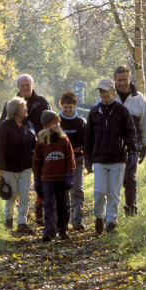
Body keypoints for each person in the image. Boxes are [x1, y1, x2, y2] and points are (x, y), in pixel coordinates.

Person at [0, 74, 51, 226]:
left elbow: (51, 124)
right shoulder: (11, 104)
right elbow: (0, 129)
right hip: (15, 160)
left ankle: (38, 212)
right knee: (15, 191)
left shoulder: (42, 103)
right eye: (22, 86)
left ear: (33, 85)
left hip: (38, 152)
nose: (25, 88)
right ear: (18, 87)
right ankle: (15, 218)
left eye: (28, 85)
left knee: (40, 184)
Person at [84, 79, 137, 234]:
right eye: (101, 91)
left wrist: (132, 152)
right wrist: (88, 156)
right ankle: (99, 217)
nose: (103, 94)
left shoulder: (122, 111)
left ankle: (112, 221)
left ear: (113, 91)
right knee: (100, 191)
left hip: (118, 159)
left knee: (114, 192)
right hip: (99, 159)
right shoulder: (94, 112)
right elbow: (88, 137)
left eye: (106, 91)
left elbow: (130, 134)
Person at [112, 65, 146, 216]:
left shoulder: (139, 98)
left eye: (125, 79)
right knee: (112, 182)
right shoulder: (108, 95)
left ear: (130, 78)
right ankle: (111, 214)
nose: (122, 83)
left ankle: (131, 211)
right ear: (115, 80)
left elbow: (145, 122)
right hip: (111, 146)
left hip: (132, 146)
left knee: (130, 179)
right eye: (119, 80)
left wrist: (145, 145)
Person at [0, 97, 37, 234]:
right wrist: (0, 169)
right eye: (23, 107)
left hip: (26, 167)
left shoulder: (28, 124)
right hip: (10, 168)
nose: (26, 109)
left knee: (24, 195)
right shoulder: (5, 126)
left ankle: (22, 222)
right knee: (11, 195)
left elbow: (34, 145)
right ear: (14, 110)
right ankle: (8, 220)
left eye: (25, 107)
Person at [33, 110, 76, 242]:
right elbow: (37, 161)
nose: (57, 125)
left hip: (62, 178)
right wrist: (37, 179)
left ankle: (63, 230)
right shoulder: (41, 142)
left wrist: (70, 174)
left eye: (58, 123)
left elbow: (70, 157)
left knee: (64, 205)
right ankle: (49, 232)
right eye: (54, 123)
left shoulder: (64, 140)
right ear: (47, 125)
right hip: (47, 179)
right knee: (49, 205)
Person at [59, 92, 87, 231]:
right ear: (61, 106)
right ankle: (62, 222)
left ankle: (78, 220)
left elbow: (86, 142)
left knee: (77, 190)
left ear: (75, 106)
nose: (68, 110)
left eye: (70, 107)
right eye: (65, 107)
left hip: (77, 160)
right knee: (62, 191)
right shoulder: (57, 122)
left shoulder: (81, 122)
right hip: (60, 160)